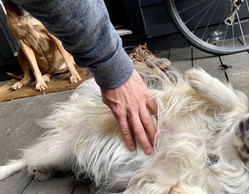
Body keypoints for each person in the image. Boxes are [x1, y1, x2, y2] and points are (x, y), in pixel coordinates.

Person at [11, 0, 157, 155]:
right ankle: (32, 76)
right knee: (22, 49)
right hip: (46, 58)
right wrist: (112, 66)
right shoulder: (12, 18)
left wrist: (106, 66)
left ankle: (69, 69)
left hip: (59, 59)